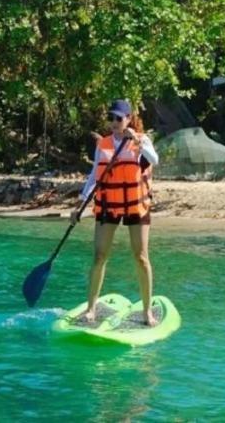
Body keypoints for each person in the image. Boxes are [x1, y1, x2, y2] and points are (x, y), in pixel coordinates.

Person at [72, 99, 159, 326]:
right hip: (109, 203)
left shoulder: (141, 140)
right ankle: (91, 309)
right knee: (99, 256)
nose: (113, 122)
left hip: (135, 204)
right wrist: (80, 203)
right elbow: (94, 176)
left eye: (118, 118)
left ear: (129, 119)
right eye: (110, 118)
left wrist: (137, 141)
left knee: (140, 257)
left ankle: (146, 311)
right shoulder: (104, 144)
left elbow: (154, 159)